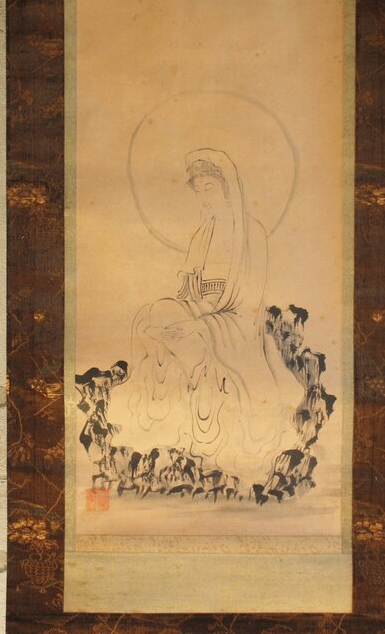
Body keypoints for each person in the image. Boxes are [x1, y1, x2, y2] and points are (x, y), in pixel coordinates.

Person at [125, 149, 303, 487]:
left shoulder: (252, 233)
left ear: (227, 188)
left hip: (235, 322)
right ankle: (158, 427)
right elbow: (186, 292)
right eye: (198, 190)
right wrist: (186, 311)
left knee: (185, 331)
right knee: (151, 316)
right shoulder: (201, 235)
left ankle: (207, 420)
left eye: (209, 187)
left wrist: (202, 321)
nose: (203, 196)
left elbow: (250, 300)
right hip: (200, 309)